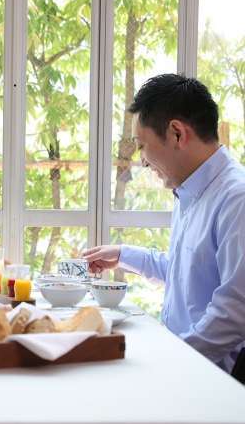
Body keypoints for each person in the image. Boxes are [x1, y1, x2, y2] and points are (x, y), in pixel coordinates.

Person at [83, 73, 245, 373]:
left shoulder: (237, 198)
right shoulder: (190, 190)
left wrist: (169, 362)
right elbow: (189, 273)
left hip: (213, 379)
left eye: (142, 145)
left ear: (176, 134)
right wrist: (122, 255)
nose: (142, 161)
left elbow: (234, 312)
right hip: (187, 362)